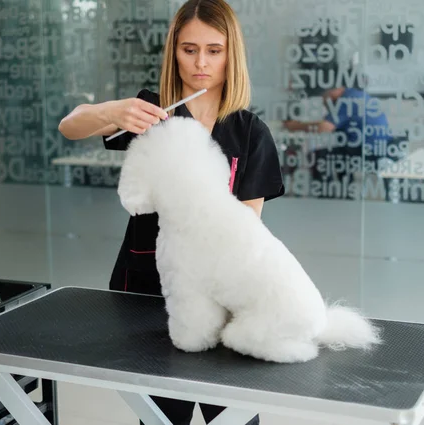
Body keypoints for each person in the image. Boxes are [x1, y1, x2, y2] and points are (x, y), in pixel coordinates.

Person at [59, 0, 284, 423]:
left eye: (214, 50)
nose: (200, 63)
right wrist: (111, 111)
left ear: (231, 53)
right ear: (173, 51)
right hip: (146, 290)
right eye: (189, 49)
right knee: (162, 415)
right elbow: (70, 125)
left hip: (223, 297)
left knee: (234, 416)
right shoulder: (148, 111)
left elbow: (248, 227)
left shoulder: (251, 132)